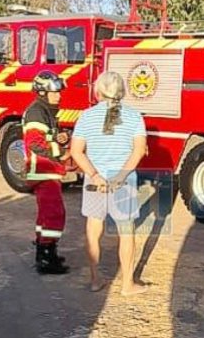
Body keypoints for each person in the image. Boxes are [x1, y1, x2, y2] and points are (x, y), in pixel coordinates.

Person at [70, 71, 148, 295]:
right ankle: (127, 285)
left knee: (94, 230)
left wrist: (95, 175)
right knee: (126, 232)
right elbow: (139, 150)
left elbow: (77, 151)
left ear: (98, 91)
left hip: (95, 182)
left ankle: (95, 280)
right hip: (123, 183)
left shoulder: (86, 116)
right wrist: (120, 177)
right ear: (122, 90)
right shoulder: (134, 117)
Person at [23, 70, 70, 274]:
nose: (59, 95)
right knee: (54, 214)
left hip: (47, 171)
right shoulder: (37, 112)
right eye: (55, 92)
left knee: (46, 215)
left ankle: (46, 250)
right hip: (43, 171)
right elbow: (35, 143)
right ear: (43, 93)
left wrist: (60, 137)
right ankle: (45, 257)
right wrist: (62, 153)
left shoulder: (44, 111)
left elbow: (46, 137)